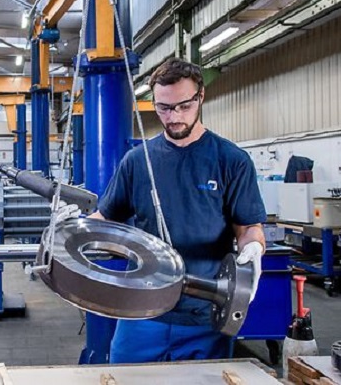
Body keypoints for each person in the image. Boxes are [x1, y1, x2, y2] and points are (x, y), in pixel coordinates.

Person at [90, 57, 266, 363]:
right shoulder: (137, 161)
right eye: (164, 108)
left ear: (200, 97)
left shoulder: (231, 160)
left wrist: (254, 248)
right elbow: (105, 218)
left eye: (183, 106)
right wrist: (72, 229)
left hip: (205, 313)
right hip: (142, 310)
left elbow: (248, 226)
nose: (174, 117)